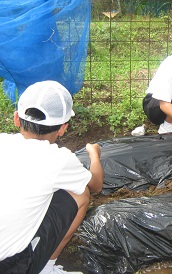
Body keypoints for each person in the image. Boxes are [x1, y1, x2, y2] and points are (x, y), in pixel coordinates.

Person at [0, 81, 104, 273]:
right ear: (63, 127)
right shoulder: (59, 159)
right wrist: (94, 154)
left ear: (16, 118)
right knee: (80, 195)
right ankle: (46, 267)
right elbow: (96, 184)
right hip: (10, 266)